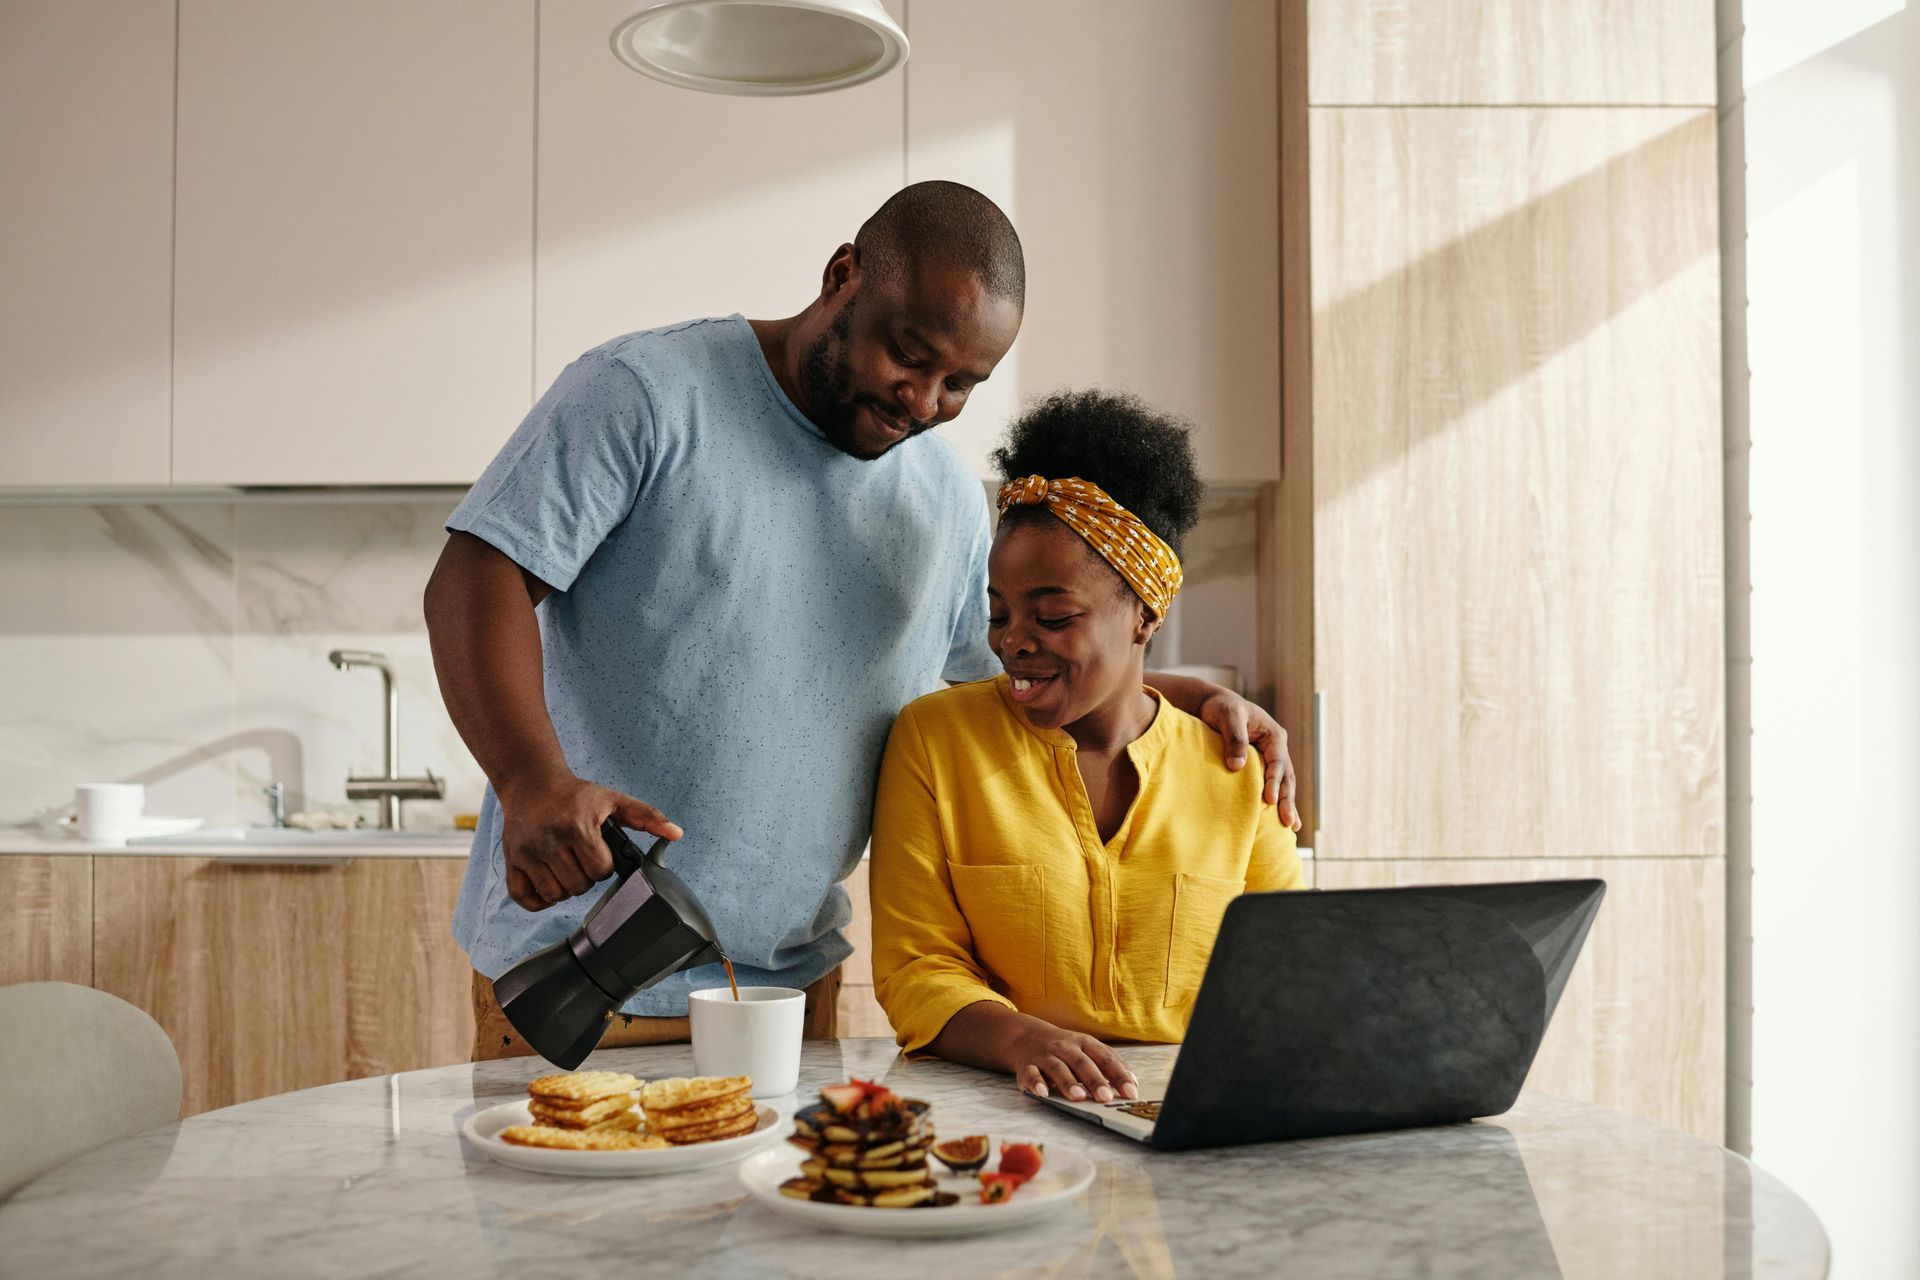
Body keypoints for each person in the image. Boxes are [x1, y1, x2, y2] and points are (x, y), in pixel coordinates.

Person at [423, 182, 1297, 1061]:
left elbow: (1003, 685)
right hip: (578, 974)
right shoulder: (645, 395)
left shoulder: (947, 502)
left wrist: (1168, 694)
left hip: (788, 992)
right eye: (909, 358)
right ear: (844, 275)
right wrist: (529, 778)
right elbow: (476, 572)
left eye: (962, 384)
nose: (924, 402)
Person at [869, 390, 1306, 1101]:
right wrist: (1021, 1039)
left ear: (1143, 614)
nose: (1013, 641)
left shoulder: (1233, 767)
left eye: (1053, 615)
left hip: (1195, 1111)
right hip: (1002, 1106)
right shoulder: (937, 741)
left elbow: (1290, 968)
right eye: (1000, 613)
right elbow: (917, 965)